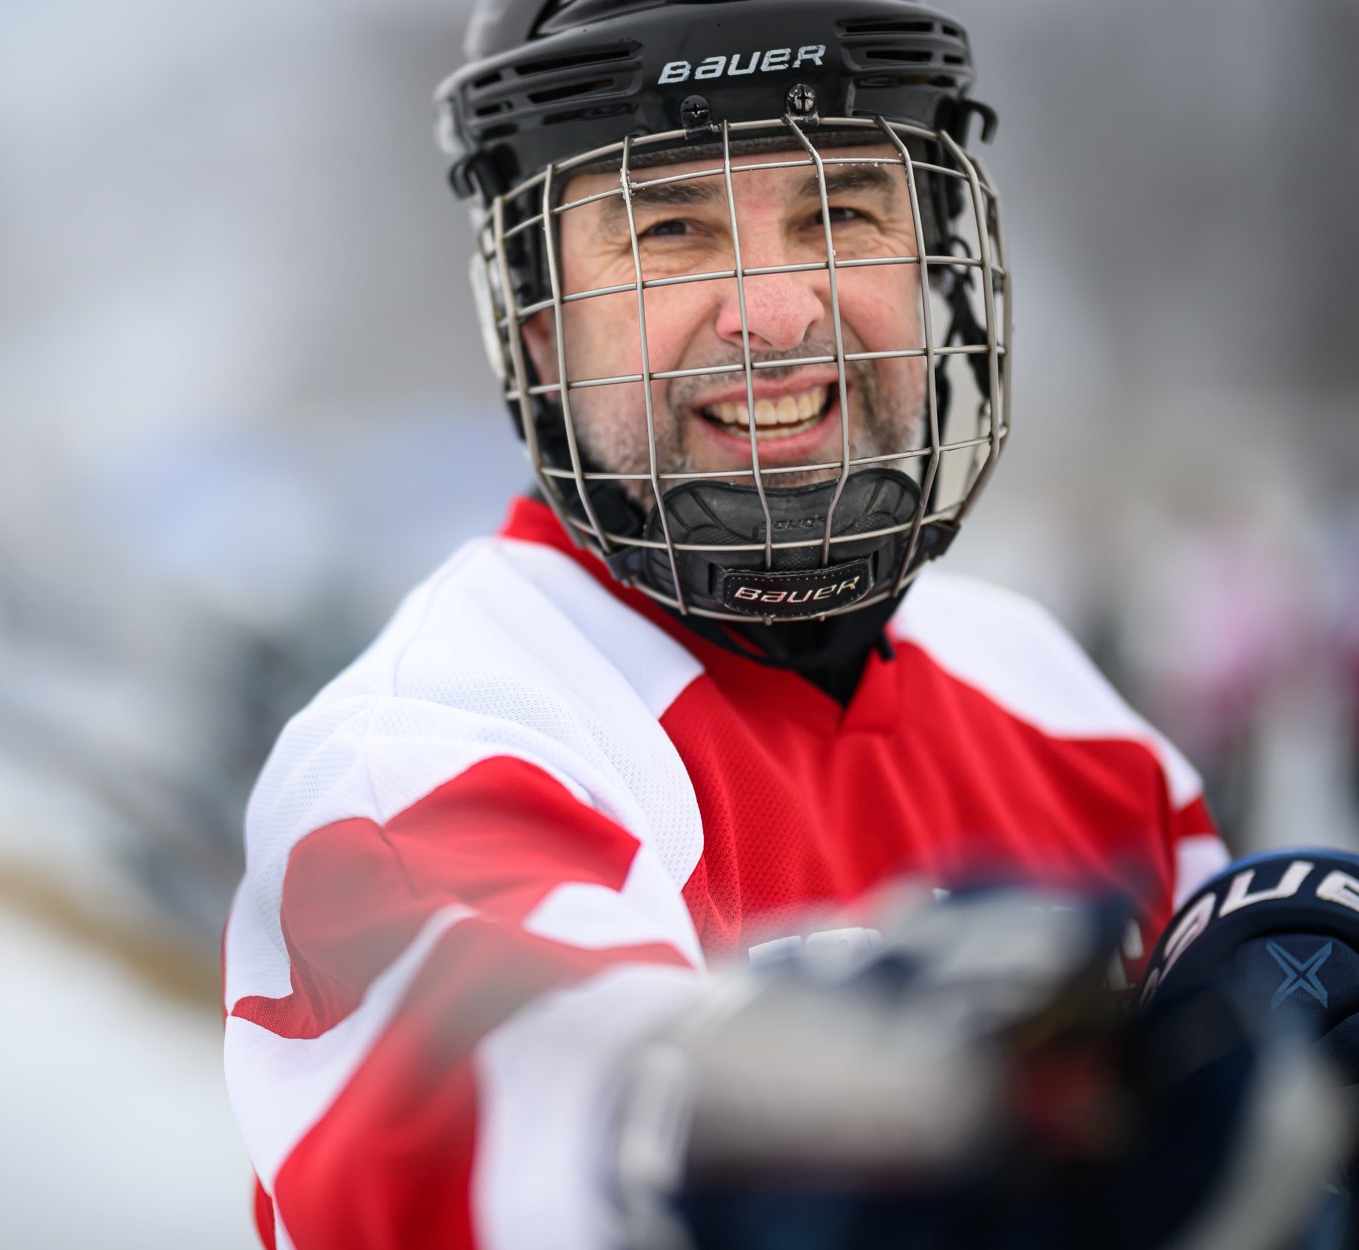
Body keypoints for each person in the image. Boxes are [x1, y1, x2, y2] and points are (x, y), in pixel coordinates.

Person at [222, 2, 1236, 1248]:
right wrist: (725, 1121)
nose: (779, 314)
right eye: (670, 230)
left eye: (841, 213)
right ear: (541, 323)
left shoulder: (1045, 688)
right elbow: (502, 1089)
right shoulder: (425, 747)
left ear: (933, 259)